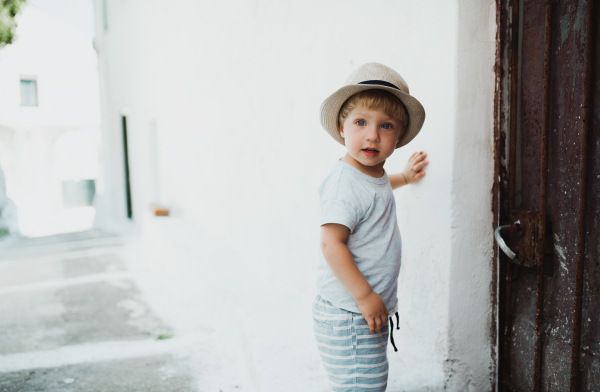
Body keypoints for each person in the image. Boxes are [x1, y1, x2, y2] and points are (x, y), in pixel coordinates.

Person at [313, 62, 428, 391]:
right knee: (361, 387)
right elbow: (331, 244)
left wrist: (404, 178)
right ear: (342, 128)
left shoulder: (368, 174)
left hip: (361, 312)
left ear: (399, 136)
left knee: (368, 383)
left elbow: (373, 191)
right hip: (349, 313)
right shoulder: (342, 186)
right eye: (361, 121)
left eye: (386, 125)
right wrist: (365, 296)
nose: (373, 135)